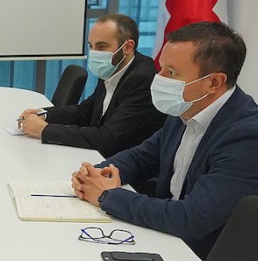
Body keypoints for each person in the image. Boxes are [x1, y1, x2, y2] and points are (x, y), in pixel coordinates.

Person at [70, 22, 258, 259]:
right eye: (161, 68)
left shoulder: (250, 139)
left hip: (216, 259)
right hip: (175, 237)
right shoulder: (188, 107)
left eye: (172, 73)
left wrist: (107, 196)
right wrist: (96, 174)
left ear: (214, 82)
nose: (159, 79)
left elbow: (191, 219)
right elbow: (142, 156)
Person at [18, 13, 165, 157]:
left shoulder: (143, 80)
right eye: (91, 46)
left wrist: (45, 130)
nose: (94, 53)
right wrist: (44, 114)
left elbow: (107, 138)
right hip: (98, 154)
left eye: (101, 47)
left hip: (121, 163)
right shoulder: (112, 66)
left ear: (127, 47)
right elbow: (86, 111)